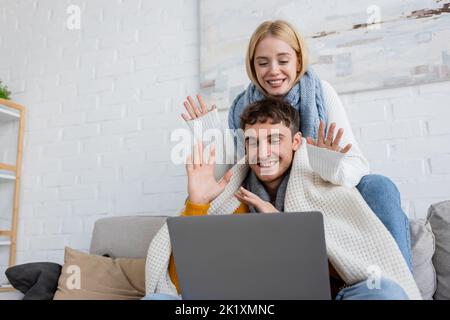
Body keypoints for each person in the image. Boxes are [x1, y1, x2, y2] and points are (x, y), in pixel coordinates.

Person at [180, 19, 412, 271]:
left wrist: (328, 165)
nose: (273, 71)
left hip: (319, 189)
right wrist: (211, 136)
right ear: (252, 66)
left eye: (283, 60)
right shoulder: (240, 106)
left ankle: (398, 283)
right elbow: (235, 172)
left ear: (298, 61)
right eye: (263, 62)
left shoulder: (321, 93)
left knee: (380, 185)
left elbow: (357, 167)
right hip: (266, 192)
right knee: (200, 200)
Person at [143, 98, 420, 300]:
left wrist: (286, 233)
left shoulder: (324, 189)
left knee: (387, 292)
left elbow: (353, 267)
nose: (262, 153)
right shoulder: (234, 198)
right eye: (253, 142)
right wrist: (198, 203)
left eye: (274, 140)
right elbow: (181, 287)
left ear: (296, 142)